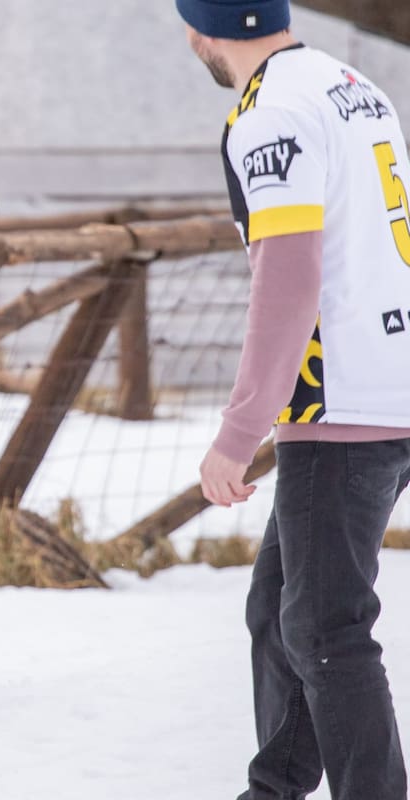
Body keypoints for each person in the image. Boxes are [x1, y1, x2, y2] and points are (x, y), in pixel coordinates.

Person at [178, 0, 410, 797]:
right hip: (391, 374)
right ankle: (273, 790)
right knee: (277, 608)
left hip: (341, 401)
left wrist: (240, 431)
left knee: (324, 630)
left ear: (197, 33)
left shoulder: (270, 113)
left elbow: (290, 279)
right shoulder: (349, 82)